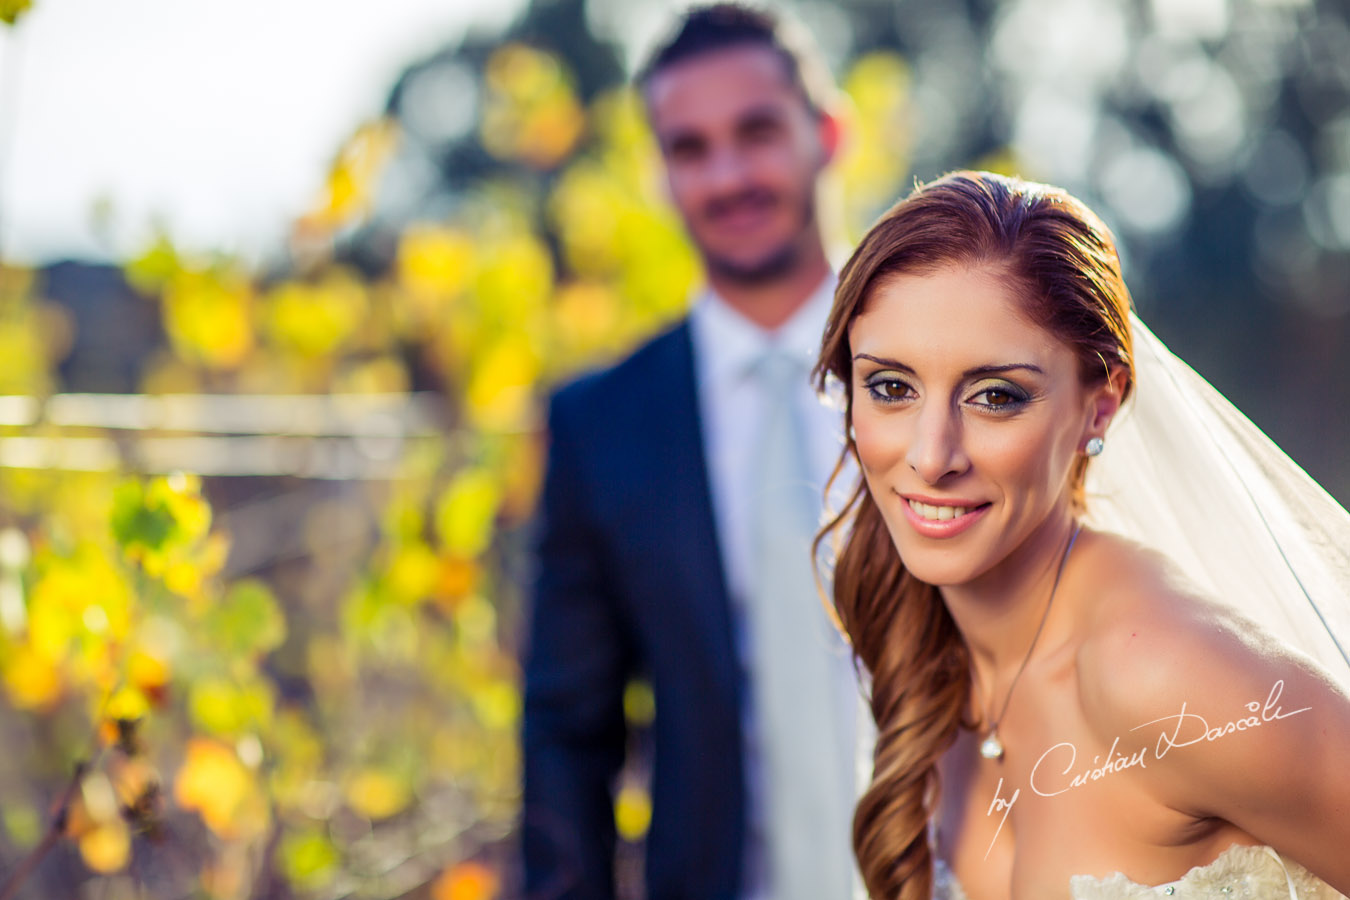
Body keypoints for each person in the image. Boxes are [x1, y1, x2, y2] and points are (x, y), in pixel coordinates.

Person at [814, 170, 1350, 900]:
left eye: (995, 396)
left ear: (1099, 408)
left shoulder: (1167, 676)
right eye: (891, 387)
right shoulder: (921, 652)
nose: (931, 455)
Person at [522, 5, 859, 900]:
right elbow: (568, 729)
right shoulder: (602, 423)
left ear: (827, 133)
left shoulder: (954, 361)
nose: (728, 176)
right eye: (690, 148)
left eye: (757, 132)